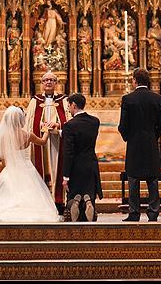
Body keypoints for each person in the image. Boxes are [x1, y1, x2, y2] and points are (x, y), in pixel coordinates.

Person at [119, 68, 161, 222]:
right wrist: (153, 135)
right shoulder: (157, 99)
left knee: (133, 178)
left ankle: (134, 212)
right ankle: (153, 212)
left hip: (134, 143)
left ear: (134, 80)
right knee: (152, 179)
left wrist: (129, 137)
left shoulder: (128, 99)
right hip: (150, 142)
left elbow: (123, 125)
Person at [24, 70, 69, 213]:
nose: (48, 82)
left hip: (57, 142)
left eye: (51, 80)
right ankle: (42, 200)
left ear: (56, 83)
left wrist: (57, 126)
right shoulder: (34, 101)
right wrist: (41, 127)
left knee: (57, 167)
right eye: (45, 80)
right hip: (40, 143)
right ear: (42, 84)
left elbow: (68, 121)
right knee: (41, 167)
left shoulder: (63, 100)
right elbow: (29, 122)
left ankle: (58, 200)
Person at [62, 93, 102, 222]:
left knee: (74, 194)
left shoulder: (69, 125)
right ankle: (88, 201)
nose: (68, 108)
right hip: (90, 163)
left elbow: (69, 152)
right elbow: (83, 133)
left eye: (69, 105)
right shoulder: (95, 122)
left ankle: (76, 203)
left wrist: (65, 177)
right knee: (89, 191)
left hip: (76, 166)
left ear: (73, 105)